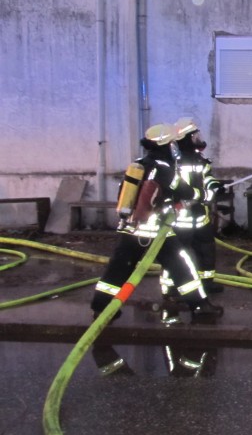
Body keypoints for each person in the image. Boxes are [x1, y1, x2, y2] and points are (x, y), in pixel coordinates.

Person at [90, 123, 223, 320]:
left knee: (118, 269)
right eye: (172, 143)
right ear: (167, 145)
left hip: (131, 229)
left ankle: (100, 307)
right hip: (156, 232)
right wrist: (204, 195)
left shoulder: (138, 165)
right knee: (181, 266)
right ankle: (200, 306)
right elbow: (185, 191)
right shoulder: (165, 168)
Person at [168, 117, 225, 296]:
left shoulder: (199, 159)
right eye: (194, 136)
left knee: (206, 249)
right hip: (180, 218)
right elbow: (174, 187)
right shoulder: (173, 161)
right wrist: (196, 196)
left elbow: (207, 177)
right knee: (178, 254)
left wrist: (214, 186)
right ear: (185, 138)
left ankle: (206, 283)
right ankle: (173, 287)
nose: (197, 138)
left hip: (200, 216)